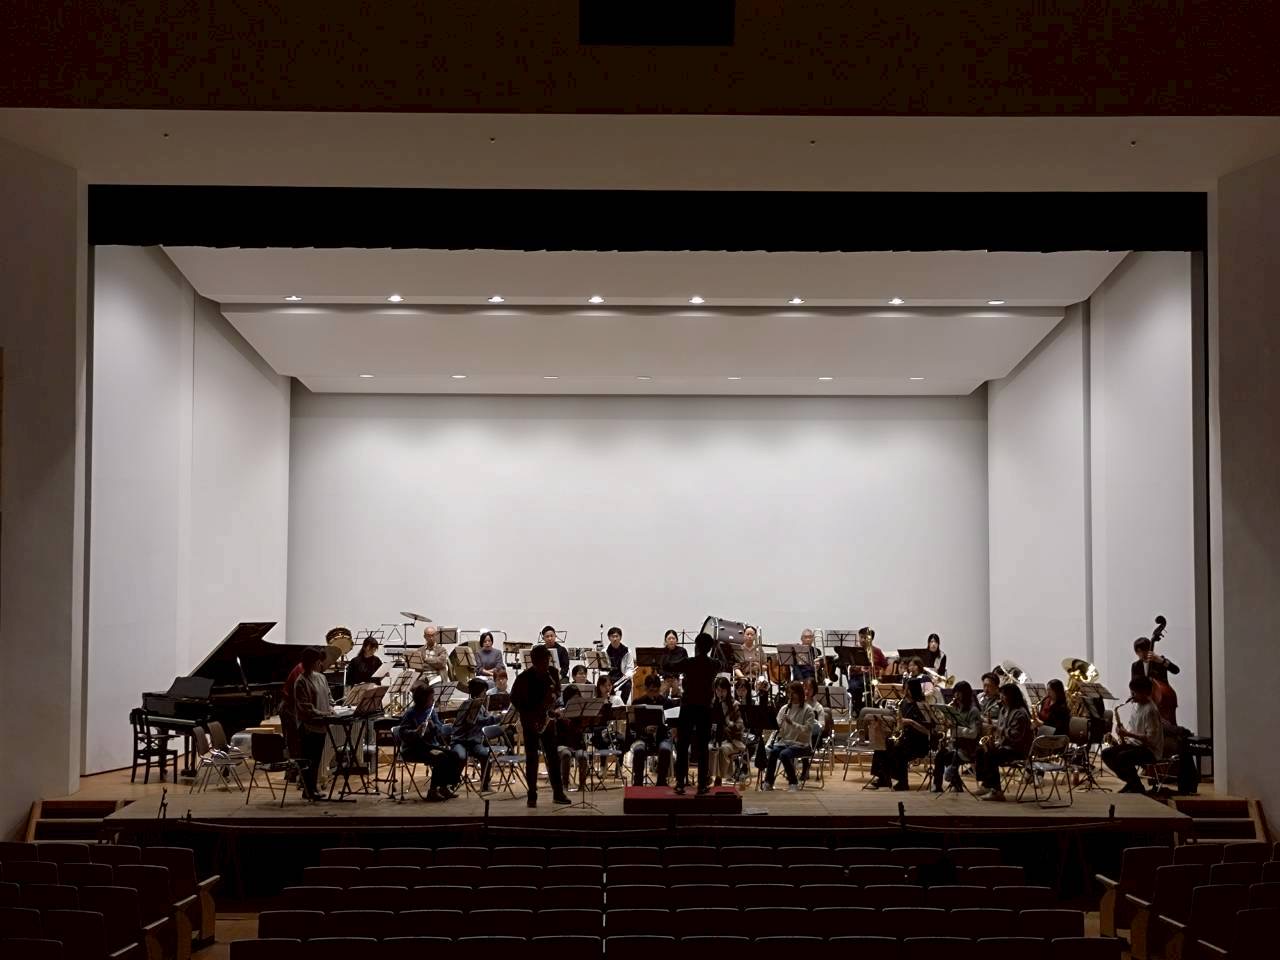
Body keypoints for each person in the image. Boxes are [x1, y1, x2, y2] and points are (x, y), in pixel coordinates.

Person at [510, 645, 570, 807]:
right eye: (542, 662)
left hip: (547, 720)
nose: (545, 665)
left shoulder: (553, 672)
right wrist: (532, 713)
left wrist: (554, 702)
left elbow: (557, 691)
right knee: (532, 759)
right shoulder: (524, 678)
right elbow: (515, 699)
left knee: (553, 757)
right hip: (531, 721)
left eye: (547, 661)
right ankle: (532, 795)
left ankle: (558, 792)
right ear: (534, 661)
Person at [397, 684, 462, 801]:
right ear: (423, 699)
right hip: (413, 748)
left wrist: (433, 726)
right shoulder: (410, 713)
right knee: (440, 757)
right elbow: (402, 733)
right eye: (431, 698)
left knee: (454, 755)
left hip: (428, 746)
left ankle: (445, 787)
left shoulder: (430, 711)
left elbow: (440, 729)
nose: (433, 700)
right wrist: (415, 732)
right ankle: (432, 791)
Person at [867, 677, 933, 790]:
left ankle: (903, 782)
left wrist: (911, 723)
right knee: (883, 745)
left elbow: (928, 731)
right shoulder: (903, 703)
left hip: (919, 742)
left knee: (898, 748)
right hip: (906, 737)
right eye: (904, 688)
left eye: (907, 689)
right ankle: (883, 778)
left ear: (912, 690)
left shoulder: (922, 705)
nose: (904, 691)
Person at [1103, 676, 1164, 794]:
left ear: (1144, 692)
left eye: (1134, 693)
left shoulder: (1150, 710)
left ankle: (1135, 785)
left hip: (1150, 750)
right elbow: (1133, 728)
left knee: (1123, 757)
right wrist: (1122, 731)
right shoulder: (1136, 706)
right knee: (1106, 753)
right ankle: (1134, 784)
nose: (1131, 695)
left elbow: (1150, 739)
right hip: (1136, 745)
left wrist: (1127, 734)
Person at [974, 682, 1034, 801]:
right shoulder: (1004, 710)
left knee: (991, 755)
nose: (1001, 697)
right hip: (1007, 745)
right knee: (980, 751)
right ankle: (987, 784)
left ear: (1011, 696)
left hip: (1018, 750)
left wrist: (997, 730)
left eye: (1003, 695)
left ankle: (996, 791)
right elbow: (1003, 728)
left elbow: (1016, 736)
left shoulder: (1020, 713)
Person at [674, 632, 718, 795]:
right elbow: (723, 663)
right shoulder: (714, 664)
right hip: (705, 708)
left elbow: (669, 666)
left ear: (696, 646)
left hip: (688, 706)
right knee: (702, 747)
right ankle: (702, 785)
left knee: (683, 745)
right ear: (710, 648)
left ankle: (680, 783)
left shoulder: (688, 662)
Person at [292, 648, 335, 800]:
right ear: (311, 662)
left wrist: (331, 707)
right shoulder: (301, 682)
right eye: (317, 661)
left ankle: (312, 789)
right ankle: (308, 790)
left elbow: (328, 696)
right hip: (309, 727)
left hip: (322, 725)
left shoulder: (321, 677)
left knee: (316, 760)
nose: (320, 663)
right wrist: (324, 713)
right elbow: (306, 708)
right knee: (309, 760)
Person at [763, 681, 816, 791]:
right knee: (773, 752)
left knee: (784, 754)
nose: (791, 696)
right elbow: (778, 727)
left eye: (793, 693)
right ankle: (768, 782)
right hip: (786, 742)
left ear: (800, 694)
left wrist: (792, 723)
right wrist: (777, 726)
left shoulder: (808, 710)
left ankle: (793, 783)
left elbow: (807, 730)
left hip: (802, 744)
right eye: (789, 693)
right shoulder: (784, 708)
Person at [931, 680, 981, 792]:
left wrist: (956, 729)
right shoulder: (956, 709)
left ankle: (954, 781)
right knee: (940, 755)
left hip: (969, 748)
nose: (956, 695)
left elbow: (973, 733)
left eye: (959, 693)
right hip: (957, 745)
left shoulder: (973, 711)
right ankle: (938, 784)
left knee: (951, 756)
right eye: (955, 692)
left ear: (966, 694)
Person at [628, 673, 675, 787]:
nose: (653, 693)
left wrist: (662, 727)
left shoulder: (667, 703)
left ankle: (661, 782)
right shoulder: (638, 702)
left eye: (656, 690)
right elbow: (633, 725)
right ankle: (638, 783)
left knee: (665, 749)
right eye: (650, 690)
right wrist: (645, 729)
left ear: (659, 688)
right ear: (645, 688)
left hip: (662, 736)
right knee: (639, 750)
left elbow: (672, 724)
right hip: (642, 737)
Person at [450, 677, 493, 792]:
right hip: (460, 740)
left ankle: (485, 784)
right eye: (484, 692)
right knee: (461, 757)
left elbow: (485, 720)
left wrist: (491, 717)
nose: (485, 694)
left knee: (485, 755)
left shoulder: (481, 706)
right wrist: (498, 718)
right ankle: (452, 783)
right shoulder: (467, 705)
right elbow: (480, 721)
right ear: (479, 692)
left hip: (473, 741)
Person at [1132, 636, 1180, 726]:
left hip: (1162, 707)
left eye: (1144, 650)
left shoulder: (1159, 660)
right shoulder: (1135, 666)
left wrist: (1161, 660)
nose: (1142, 654)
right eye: (1138, 651)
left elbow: (1176, 670)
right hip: (1143, 706)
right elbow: (1134, 685)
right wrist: (1134, 696)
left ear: (1149, 649)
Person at [710, 676, 746, 786]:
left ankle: (719, 778)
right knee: (708, 748)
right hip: (715, 738)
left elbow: (741, 726)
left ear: (728, 691)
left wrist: (729, 723)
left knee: (722, 749)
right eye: (718, 690)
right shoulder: (712, 703)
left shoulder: (735, 705)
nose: (720, 693)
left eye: (723, 690)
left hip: (733, 740)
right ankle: (708, 776)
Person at [605, 626, 633, 701]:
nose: (615, 639)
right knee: (603, 683)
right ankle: (607, 703)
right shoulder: (605, 651)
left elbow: (630, 668)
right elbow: (602, 668)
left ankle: (623, 704)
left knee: (628, 684)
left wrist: (627, 675)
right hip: (610, 677)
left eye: (617, 636)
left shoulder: (627, 651)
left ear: (620, 637)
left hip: (622, 677)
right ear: (609, 638)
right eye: (612, 636)